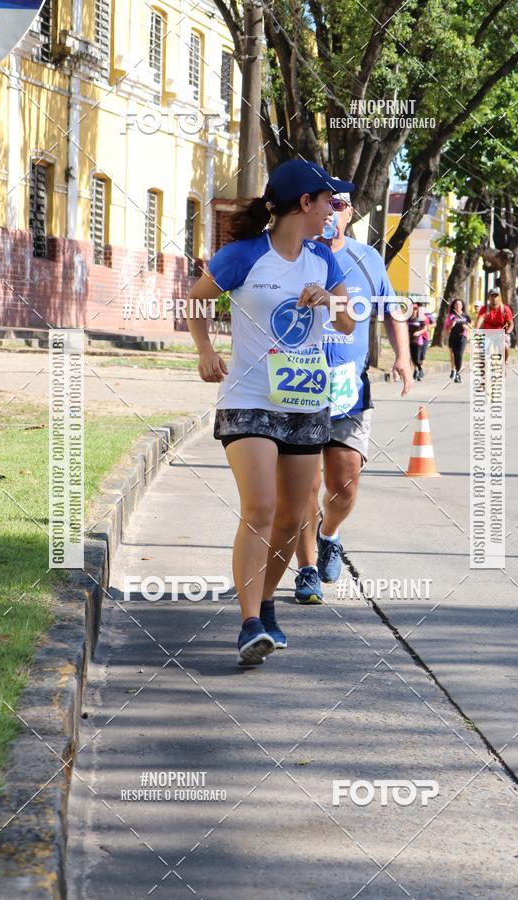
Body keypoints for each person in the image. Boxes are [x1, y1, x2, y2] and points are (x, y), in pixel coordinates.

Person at [186, 159, 355, 666]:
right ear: (304, 203)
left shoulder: (325, 261)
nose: (335, 209)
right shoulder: (243, 256)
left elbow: (348, 324)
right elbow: (196, 302)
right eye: (329, 200)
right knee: (259, 508)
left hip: (304, 403)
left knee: (288, 519)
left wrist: (329, 302)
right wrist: (204, 351)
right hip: (248, 399)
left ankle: (265, 601)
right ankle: (249, 625)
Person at [293, 196, 412, 603]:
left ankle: (329, 534)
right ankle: (307, 571)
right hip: (300, 385)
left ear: (350, 214)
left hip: (348, 390)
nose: (332, 212)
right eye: (325, 204)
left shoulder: (368, 259)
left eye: (339, 205)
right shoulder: (298, 253)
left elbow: (394, 310)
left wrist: (404, 357)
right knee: (305, 488)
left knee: (344, 486)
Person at [476, 288, 514, 363]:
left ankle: (504, 363)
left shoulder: (505, 309)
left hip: (500, 334)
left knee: (505, 347)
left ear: (499, 297)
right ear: (489, 298)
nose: (494, 298)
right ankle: (484, 372)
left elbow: (511, 324)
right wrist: (476, 331)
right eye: (492, 296)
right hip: (487, 334)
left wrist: (508, 332)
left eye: (496, 296)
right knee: (482, 352)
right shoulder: (484, 309)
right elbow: (480, 320)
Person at [444, 298, 471, 382]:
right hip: (453, 337)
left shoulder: (466, 316)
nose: (458, 306)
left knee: (459, 355)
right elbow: (446, 329)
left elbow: (471, 326)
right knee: (453, 355)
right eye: (456, 304)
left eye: (459, 304)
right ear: (454, 306)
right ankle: (453, 370)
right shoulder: (451, 316)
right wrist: (452, 325)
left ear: (462, 306)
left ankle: (458, 374)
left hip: (462, 337)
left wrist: (467, 327)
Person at [408, 304, 430, 380]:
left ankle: (419, 368)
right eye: (412, 309)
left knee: (417, 358)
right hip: (409, 340)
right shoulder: (408, 319)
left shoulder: (420, 319)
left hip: (418, 341)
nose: (413, 310)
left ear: (417, 310)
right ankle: (416, 371)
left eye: (415, 309)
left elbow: (425, 328)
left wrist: (419, 332)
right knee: (411, 357)